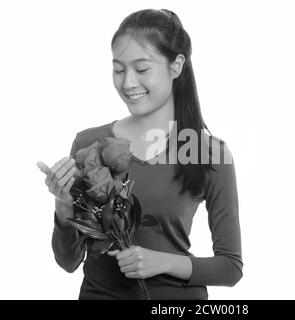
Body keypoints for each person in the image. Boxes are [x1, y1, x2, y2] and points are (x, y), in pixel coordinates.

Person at [37, 8, 242, 300]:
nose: (128, 82)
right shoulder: (89, 143)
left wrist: (163, 262)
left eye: (142, 69)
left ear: (176, 66)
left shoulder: (208, 153)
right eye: (119, 69)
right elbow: (68, 262)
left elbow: (230, 267)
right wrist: (63, 203)